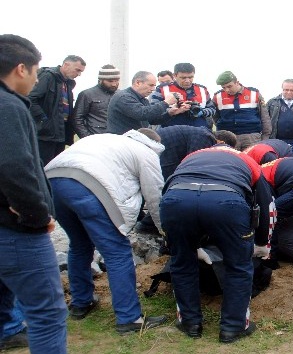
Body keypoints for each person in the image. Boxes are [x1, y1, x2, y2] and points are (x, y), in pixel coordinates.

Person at [44, 129, 168, 335]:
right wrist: (165, 231)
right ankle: (129, 319)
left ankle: (81, 303)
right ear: (155, 145)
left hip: (52, 182)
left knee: (79, 244)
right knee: (116, 251)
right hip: (89, 185)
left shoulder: (106, 139)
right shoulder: (146, 153)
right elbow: (155, 198)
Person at [160, 144, 274, 342]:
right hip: (226, 200)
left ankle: (189, 322)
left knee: (182, 263)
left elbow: (168, 187)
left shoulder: (191, 156)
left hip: (177, 199)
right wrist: (263, 242)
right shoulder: (247, 160)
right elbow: (266, 204)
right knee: (238, 266)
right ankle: (234, 327)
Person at [0, 33, 68, 354]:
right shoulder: (8, 106)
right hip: (16, 231)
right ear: (21, 68)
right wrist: (36, 216)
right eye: (37, 72)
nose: (37, 79)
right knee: (48, 313)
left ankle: (8, 331)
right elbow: (15, 165)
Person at [134, 126, 237, 234]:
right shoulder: (205, 138)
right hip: (165, 151)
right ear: (221, 142)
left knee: (146, 184)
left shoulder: (201, 132)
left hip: (164, 148)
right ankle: (148, 225)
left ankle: (138, 218)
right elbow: (194, 165)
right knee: (165, 188)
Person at [28, 54, 86, 164]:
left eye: (81, 72)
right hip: (45, 135)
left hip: (60, 134)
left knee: (55, 167)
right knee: (44, 167)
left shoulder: (68, 83)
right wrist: (44, 119)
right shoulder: (48, 76)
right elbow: (31, 98)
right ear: (66, 65)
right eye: (77, 70)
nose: (79, 74)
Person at [261, 156, 293, 263]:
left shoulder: (258, 178)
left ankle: (270, 259)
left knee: (271, 213)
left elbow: (270, 212)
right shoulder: (260, 169)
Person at [213, 71, 272, 150]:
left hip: (251, 137)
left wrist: (265, 138)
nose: (227, 90)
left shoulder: (254, 93)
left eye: (229, 86)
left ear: (237, 82)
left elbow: (264, 117)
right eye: (223, 87)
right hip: (228, 138)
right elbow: (215, 117)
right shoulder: (217, 96)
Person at [106, 71, 178, 134]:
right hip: (122, 142)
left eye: (154, 86)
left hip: (132, 140)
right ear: (138, 83)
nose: (153, 89)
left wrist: (170, 113)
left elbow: (152, 119)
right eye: (150, 85)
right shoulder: (123, 97)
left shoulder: (142, 99)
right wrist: (166, 103)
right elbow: (142, 114)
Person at [151, 63, 215, 129]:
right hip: (172, 132)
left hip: (199, 132)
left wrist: (202, 112)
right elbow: (154, 111)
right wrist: (173, 110)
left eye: (190, 77)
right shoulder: (162, 89)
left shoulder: (202, 89)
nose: (187, 81)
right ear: (175, 76)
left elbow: (212, 109)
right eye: (183, 78)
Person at [72, 64, 120, 138]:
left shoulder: (121, 95)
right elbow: (77, 119)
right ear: (101, 80)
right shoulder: (87, 94)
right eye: (110, 81)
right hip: (95, 138)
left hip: (117, 138)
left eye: (116, 80)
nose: (114, 84)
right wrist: (87, 138)